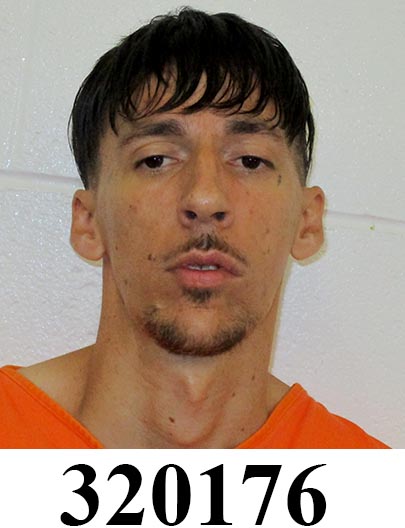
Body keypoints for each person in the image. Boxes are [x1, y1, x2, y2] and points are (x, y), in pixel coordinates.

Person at [0, 7, 388, 449]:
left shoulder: (369, 485)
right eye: (156, 160)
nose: (205, 198)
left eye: (250, 160)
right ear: (88, 222)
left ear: (306, 221)